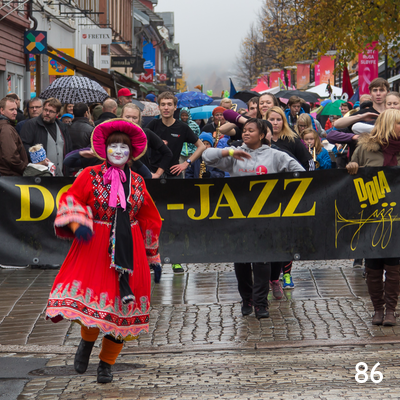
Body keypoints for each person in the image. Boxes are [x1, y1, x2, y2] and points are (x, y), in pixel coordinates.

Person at [46, 119, 162, 383]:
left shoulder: (138, 183)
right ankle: (86, 343)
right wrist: (77, 222)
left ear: (132, 152)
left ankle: (106, 364)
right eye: (113, 145)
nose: (118, 150)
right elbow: (70, 198)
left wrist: (152, 252)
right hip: (95, 245)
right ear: (105, 149)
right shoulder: (89, 175)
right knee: (95, 302)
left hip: (129, 249)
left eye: (123, 146)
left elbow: (150, 217)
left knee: (121, 310)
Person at [203, 118, 304, 318]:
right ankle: (246, 299)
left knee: (262, 261)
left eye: (251, 130)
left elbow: (299, 172)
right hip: (238, 217)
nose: (246, 133)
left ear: (262, 134)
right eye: (244, 130)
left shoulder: (276, 155)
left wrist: (279, 192)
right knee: (241, 262)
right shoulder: (235, 154)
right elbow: (207, 156)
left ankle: (261, 303)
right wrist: (230, 151)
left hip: (265, 218)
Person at [346, 109, 400, 326]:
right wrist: (351, 167)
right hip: (371, 217)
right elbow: (351, 180)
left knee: (394, 267)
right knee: (373, 266)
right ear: (388, 124)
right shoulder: (365, 149)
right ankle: (377, 309)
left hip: (397, 217)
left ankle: (390, 310)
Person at [146, 92, 205, 274]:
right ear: (158, 106)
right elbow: (138, 142)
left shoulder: (182, 127)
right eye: (162, 104)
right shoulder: (152, 125)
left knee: (175, 218)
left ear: (175, 107)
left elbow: (201, 146)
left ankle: (176, 259)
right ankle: (153, 257)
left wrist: (186, 164)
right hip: (153, 175)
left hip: (174, 176)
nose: (166, 107)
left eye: (169, 104)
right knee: (152, 218)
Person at [20, 97, 72, 176]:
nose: (47, 113)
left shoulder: (62, 127)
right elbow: (23, 146)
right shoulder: (31, 125)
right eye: (46, 110)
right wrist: (38, 157)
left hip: (61, 175)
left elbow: (69, 149)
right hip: (40, 175)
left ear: (57, 114)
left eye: (51, 111)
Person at [120, 103, 172, 179]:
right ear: (121, 117)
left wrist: (157, 174)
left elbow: (168, 153)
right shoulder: (115, 136)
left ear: (139, 119)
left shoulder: (146, 134)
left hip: (143, 180)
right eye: (127, 117)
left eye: (134, 118)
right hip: (120, 180)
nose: (131, 120)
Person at [266, 106, 314, 171]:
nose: (275, 123)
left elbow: (309, 161)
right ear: (266, 121)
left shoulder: (292, 139)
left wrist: (308, 177)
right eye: (272, 119)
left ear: (283, 121)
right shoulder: (261, 140)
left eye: (278, 119)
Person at [0, 97, 28, 176]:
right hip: (9, 177)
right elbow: (10, 157)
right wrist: (24, 168)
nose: (15, 112)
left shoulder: (6, 126)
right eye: (11, 110)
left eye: (16, 109)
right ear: (2, 110)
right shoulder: (6, 129)